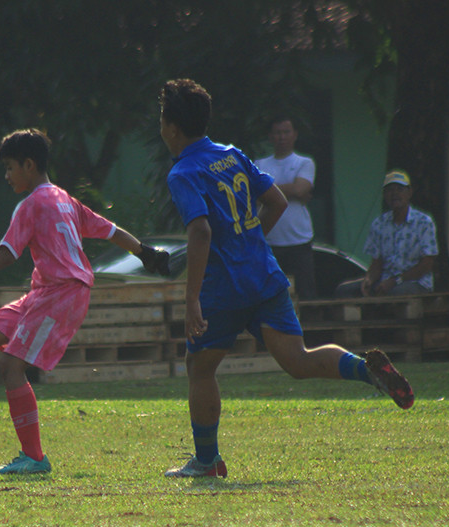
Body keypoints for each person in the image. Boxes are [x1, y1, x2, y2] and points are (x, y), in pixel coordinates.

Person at [158, 78, 414, 479]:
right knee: (298, 359)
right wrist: (251, 242)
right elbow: (276, 200)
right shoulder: (231, 155)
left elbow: (202, 231)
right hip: (264, 275)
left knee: (200, 368)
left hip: (224, 288)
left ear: (172, 127)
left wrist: (191, 299)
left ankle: (207, 461)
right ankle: (365, 370)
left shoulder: (183, 172)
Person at [0, 128, 170, 475]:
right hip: (45, 293)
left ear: (29, 164)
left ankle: (34, 458)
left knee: (11, 367)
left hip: (62, 294)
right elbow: (111, 231)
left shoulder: (33, 203)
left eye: (10, 168)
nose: (6, 176)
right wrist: (146, 253)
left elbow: (6, 255)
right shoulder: (65, 199)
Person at [334, 170, 438, 298]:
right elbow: (377, 263)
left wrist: (396, 281)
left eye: (400, 189)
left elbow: (427, 264)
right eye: (389, 190)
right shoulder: (379, 223)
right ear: (384, 195)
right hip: (384, 282)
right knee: (344, 290)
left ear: (409, 192)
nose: (394, 194)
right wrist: (369, 279)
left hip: (415, 283)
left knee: (394, 293)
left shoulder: (424, 222)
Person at [255, 114, 318, 299]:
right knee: (270, 293)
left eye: (286, 132)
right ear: (270, 137)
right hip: (269, 239)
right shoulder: (260, 164)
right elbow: (254, 195)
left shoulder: (304, 162)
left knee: (306, 293)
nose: (281, 137)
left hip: (299, 239)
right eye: (277, 133)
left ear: (295, 134)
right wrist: (291, 190)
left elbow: (301, 189)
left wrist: (269, 192)